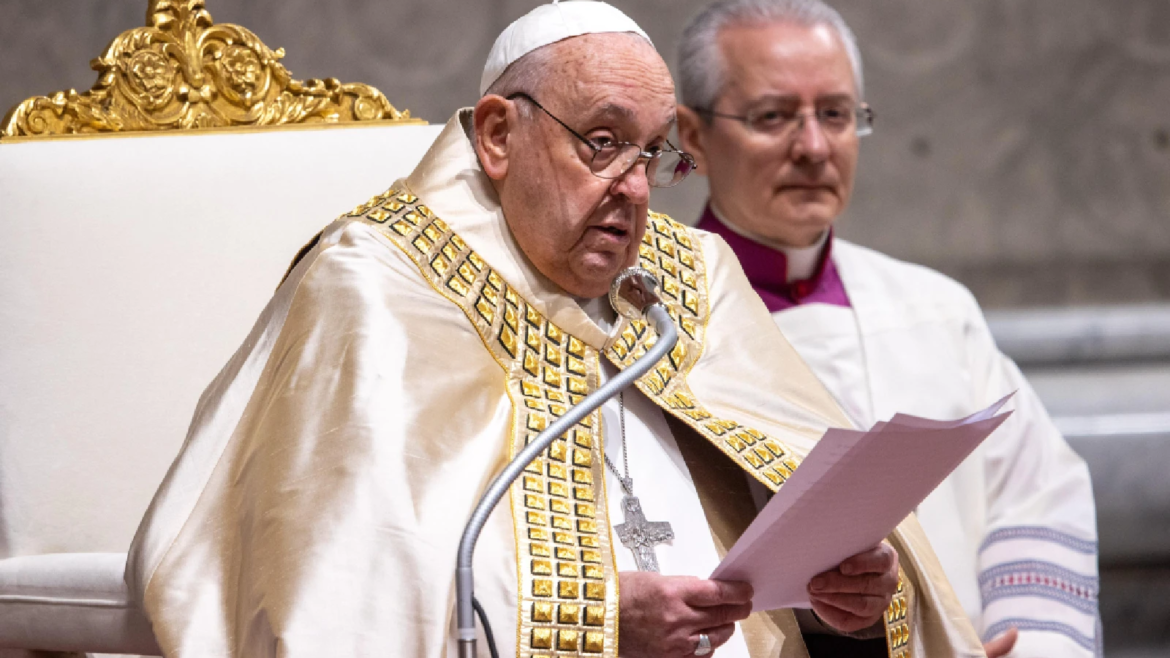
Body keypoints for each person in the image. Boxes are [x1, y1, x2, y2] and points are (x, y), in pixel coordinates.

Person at [127, 2, 983, 657]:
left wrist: (849, 606)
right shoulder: (377, 280)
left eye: (653, 155)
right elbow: (337, 586)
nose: (636, 189)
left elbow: (803, 546)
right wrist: (593, 626)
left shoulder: (688, 279)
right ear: (499, 134)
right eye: (602, 143)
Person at [675, 1, 1101, 656]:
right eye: (773, 116)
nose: (814, 147)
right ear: (694, 135)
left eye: (837, 115)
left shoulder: (934, 310)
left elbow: (1036, 493)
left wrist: (1028, 646)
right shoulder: (649, 323)